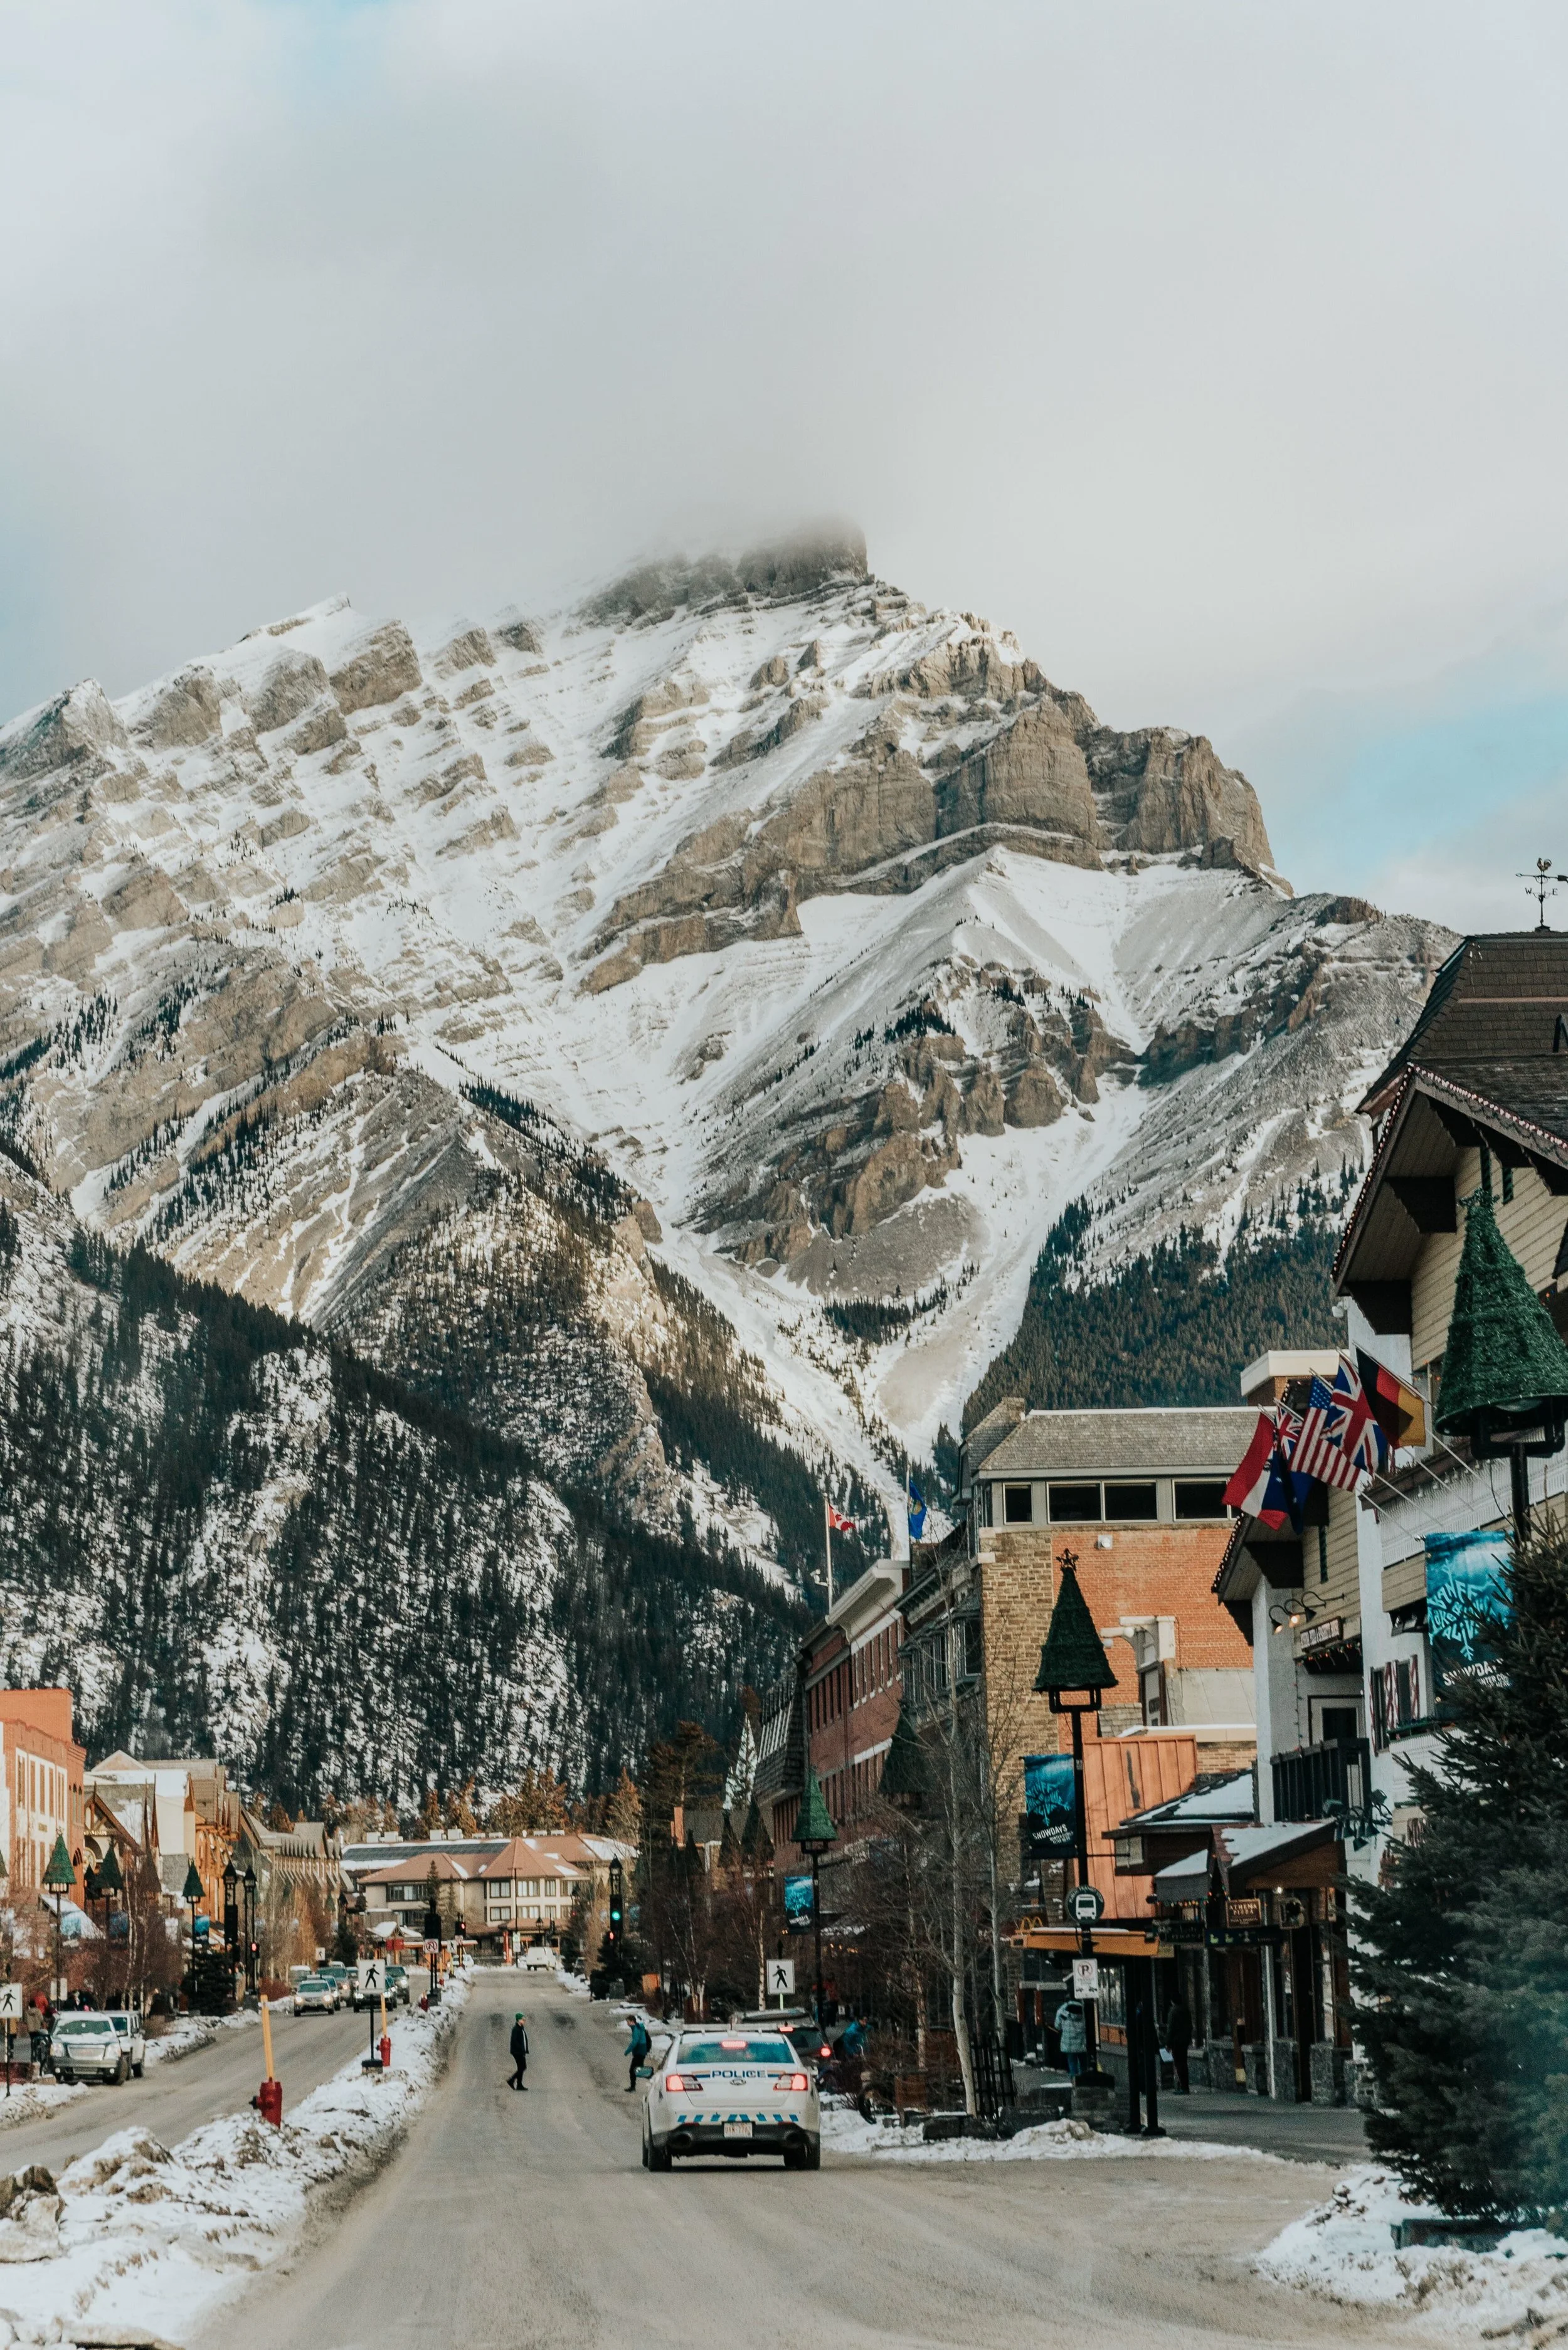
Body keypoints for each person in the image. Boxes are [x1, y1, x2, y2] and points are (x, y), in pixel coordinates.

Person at [1162, 1996, 1193, 2094]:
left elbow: (1170, 2029)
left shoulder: (1173, 2012)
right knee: (1184, 2063)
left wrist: (1168, 2044)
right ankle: (1185, 2086)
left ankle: (1183, 2087)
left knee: (1179, 2064)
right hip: (1185, 2041)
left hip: (1176, 2042)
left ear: (1172, 2001)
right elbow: (1190, 2026)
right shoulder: (1186, 2011)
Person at [1053, 1995, 1088, 2079]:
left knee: (1072, 2064)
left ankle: (1074, 2082)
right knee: (1083, 2064)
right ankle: (1084, 2081)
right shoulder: (1084, 2010)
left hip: (1068, 2043)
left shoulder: (1062, 2011)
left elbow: (1058, 2026)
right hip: (1082, 2042)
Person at [625, 2014, 650, 2092]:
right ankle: (652, 2078)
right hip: (640, 2051)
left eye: (628, 2022)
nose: (627, 2024)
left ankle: (633, 2087)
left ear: (632, 2021)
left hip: (639, 2052)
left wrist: (628, 2051)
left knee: (634, 2070)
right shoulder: (638, 2028)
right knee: (638, 2069)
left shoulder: (636, 2029)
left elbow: (635, 2042)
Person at [508, 2013, 529, 2091]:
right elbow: (514, 2041)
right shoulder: (516, 2029)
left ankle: (519, 2084)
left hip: (521, 2052)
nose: (524, 2021)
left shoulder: (521, 2028)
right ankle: (511, 2080)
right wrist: (521, 2049)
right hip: (517, 2052)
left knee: (522, 2067)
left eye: (524, 2020)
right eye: (523, 2020)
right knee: (522, 2067)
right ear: (519, 2020)